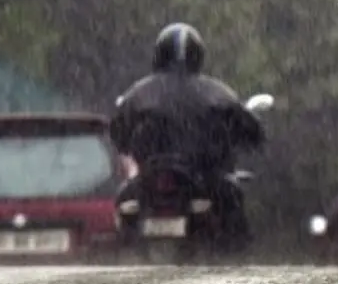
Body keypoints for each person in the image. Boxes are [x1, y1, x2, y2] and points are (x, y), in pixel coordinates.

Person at [110, 22, 265, 251]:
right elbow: (251, 131)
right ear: (198, 55)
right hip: (203, 177)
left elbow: (117, 132)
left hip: (156, 178)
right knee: (234, 200)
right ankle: (235, 255)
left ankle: (124, 247)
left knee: (124, 200)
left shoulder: (139, 93)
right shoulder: (216, 93)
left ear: (159, 55)